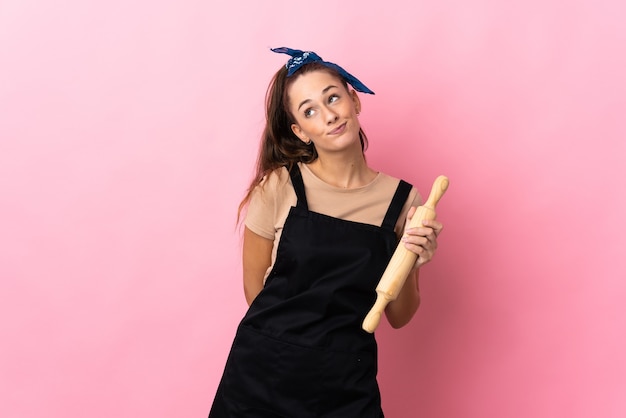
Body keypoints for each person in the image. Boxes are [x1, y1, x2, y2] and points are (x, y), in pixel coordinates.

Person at [209, 47, 443, 417]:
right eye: (310, 110)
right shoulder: (278, 186)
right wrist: (290, 348)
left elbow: (399, 315)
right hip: (261, 377)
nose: (330, 114)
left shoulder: (402, 201)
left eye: (333, 97)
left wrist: (414, 260)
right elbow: (255, 291)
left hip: (346, 382)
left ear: (354, 100)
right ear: (300, 131)